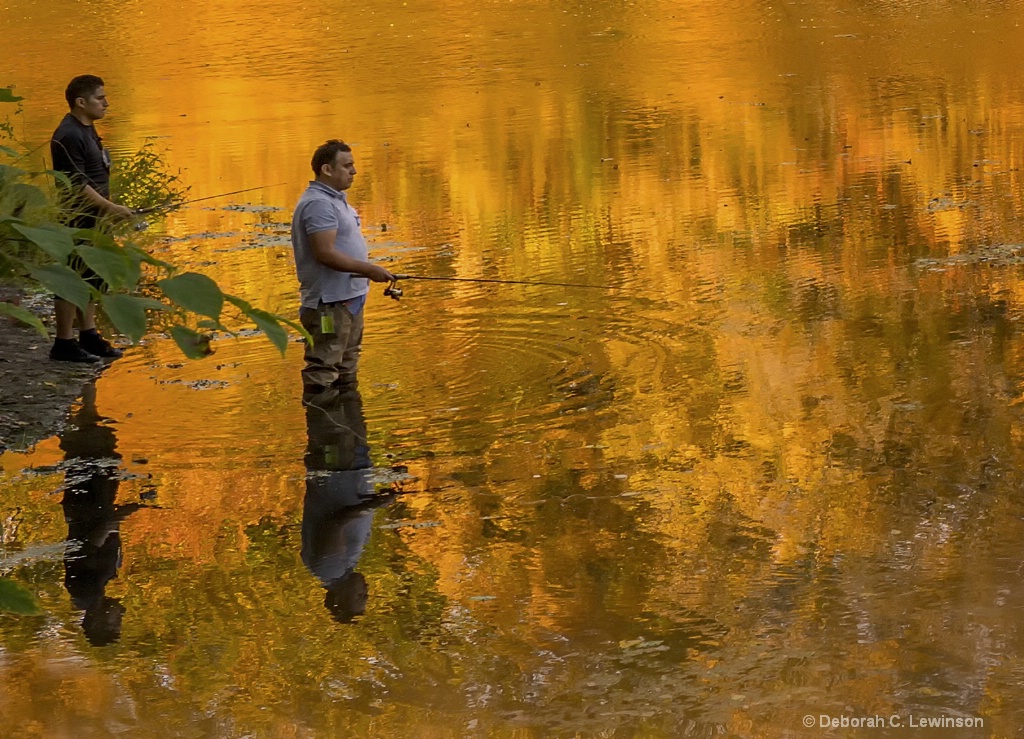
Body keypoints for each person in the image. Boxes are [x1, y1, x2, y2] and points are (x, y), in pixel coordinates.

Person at [290, 139, 395, 392]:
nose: (354, 171)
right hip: (329, 303)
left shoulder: (335, 199)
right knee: (323, 368)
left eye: (353, 165)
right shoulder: (318, 204)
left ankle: (348, 426)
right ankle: (323, 424)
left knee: (348, 365)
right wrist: (369, 269)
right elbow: (324, 254)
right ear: (327, 170)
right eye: (347, 166)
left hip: (350, 298)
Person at [49, 74, 133, 363]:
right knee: (72, 277)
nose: (106, 103)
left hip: (96, 219)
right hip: (78, 217)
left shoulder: (87, 128)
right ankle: (64, 343)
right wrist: (112, 208)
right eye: (100, 98)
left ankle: (89, 334)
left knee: (93, 275)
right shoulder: (69, 134)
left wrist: (108, 212)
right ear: (80, 102)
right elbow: (77, 183)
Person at [301, 385, 397, 623]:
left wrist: (374, 505)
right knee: (348, 397)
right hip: (352, 468)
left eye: (360, 596)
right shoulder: (342, 569)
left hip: (337, 469)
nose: (366, 590)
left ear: (342, 597)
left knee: (329, 412)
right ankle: (340, 364)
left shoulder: (329, 570)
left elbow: (333, 525)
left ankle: (324, 369)